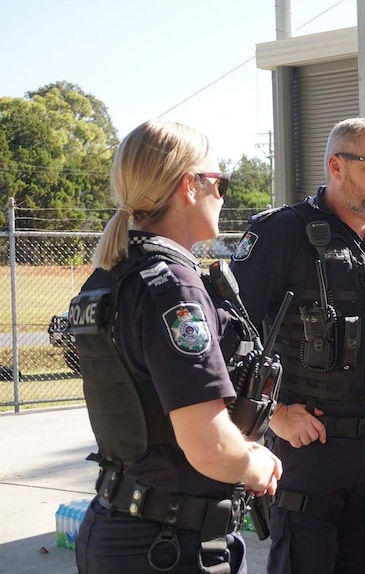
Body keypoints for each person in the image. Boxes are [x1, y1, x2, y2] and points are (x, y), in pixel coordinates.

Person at [229, 116, 365, 574]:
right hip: (310, 445)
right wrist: (275, 414)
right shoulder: (282, 232)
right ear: (335, 166)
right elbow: (228, 331)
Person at [71, 120, 283, 574]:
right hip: (168, 547)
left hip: (123, 528)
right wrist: (253, 464)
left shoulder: (109, 278)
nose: (223, 194)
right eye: (220, 183)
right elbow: (206, 444)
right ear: (190, 185)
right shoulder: (172, 288)